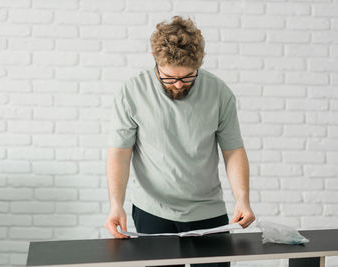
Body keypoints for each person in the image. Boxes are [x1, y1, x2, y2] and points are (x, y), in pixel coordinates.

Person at [104, 16, 255, 267]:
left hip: (208, 211)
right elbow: (120, 153)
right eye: (168, 78)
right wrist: (115, 204)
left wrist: (243, 198)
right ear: (154, 57)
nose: (177, 85)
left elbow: (233, 150)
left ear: (199, 64)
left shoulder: (219, 92)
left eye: (187, 78)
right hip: (152, 211)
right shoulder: (130, 92)